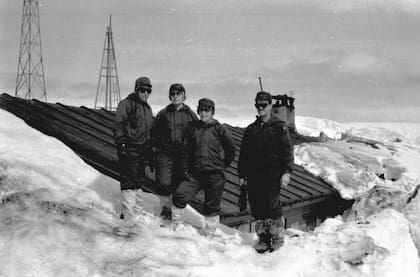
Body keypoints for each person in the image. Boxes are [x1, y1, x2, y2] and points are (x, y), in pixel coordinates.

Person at [238, 91, 294, 253]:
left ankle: (276, 238)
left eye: (264, 105)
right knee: (258, 208)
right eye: (258, 105)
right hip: (254, 176)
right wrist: (242, 175)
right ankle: (263, 239)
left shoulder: (279, 127)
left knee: (272, 208)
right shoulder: (251, 130)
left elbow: (287, 152)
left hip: (273, 175)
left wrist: (286, 172)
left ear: (270, 106)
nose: (260, 108)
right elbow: (244, 155)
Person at [172, 98, 236, 233]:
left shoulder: (219, 129)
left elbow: (230, 148)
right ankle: (176, 225)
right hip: (195, 173)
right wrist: (186, 169)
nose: (203, 113)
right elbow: (185, 150)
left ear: (212, 112)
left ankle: (209, 233)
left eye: (207, 110)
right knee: (180, 195)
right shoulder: (193, 128)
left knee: (212, 206)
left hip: (214, 174)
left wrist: (222, 165)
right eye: (201, 110)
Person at [151, 83, 198, 220]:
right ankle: (165, 208)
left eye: (178, 93)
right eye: (173, 94)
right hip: (166, 153)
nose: (175, 96)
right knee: (164, 181)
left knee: (179, 182)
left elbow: (196, 134)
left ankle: (175, 213)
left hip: (183, 155)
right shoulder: (164, 114)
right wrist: (157, 148)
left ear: (184, 96)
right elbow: (154, 133)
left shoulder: (190, 115)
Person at [113, 76, 154, 222]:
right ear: (136, 90)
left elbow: (149, 131)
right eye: (142, 90)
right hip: (129, 148)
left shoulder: (147, 108)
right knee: (129, 181)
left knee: (137, 181)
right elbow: (118, 124)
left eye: (148, 91)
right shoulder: (127, 104)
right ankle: (127, 214)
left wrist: (149, 150)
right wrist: (122, 144)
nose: (145, 93)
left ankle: (137, 212)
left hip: (142, 150)